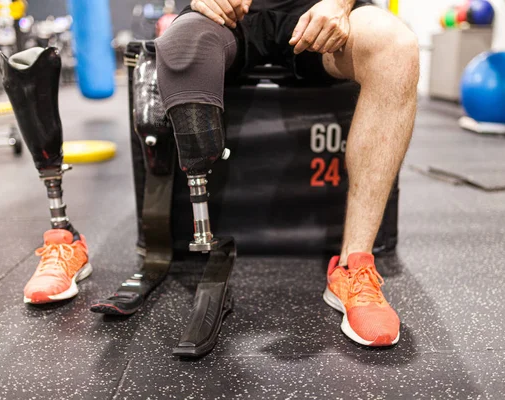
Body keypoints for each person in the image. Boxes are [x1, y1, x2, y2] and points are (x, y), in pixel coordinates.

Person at [155, 0, 419, 346]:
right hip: (234, 12)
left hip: (317, 9)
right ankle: (194, 228)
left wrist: (341, 4)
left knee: (396, 47)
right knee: (181, 43)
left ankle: (353, 267)